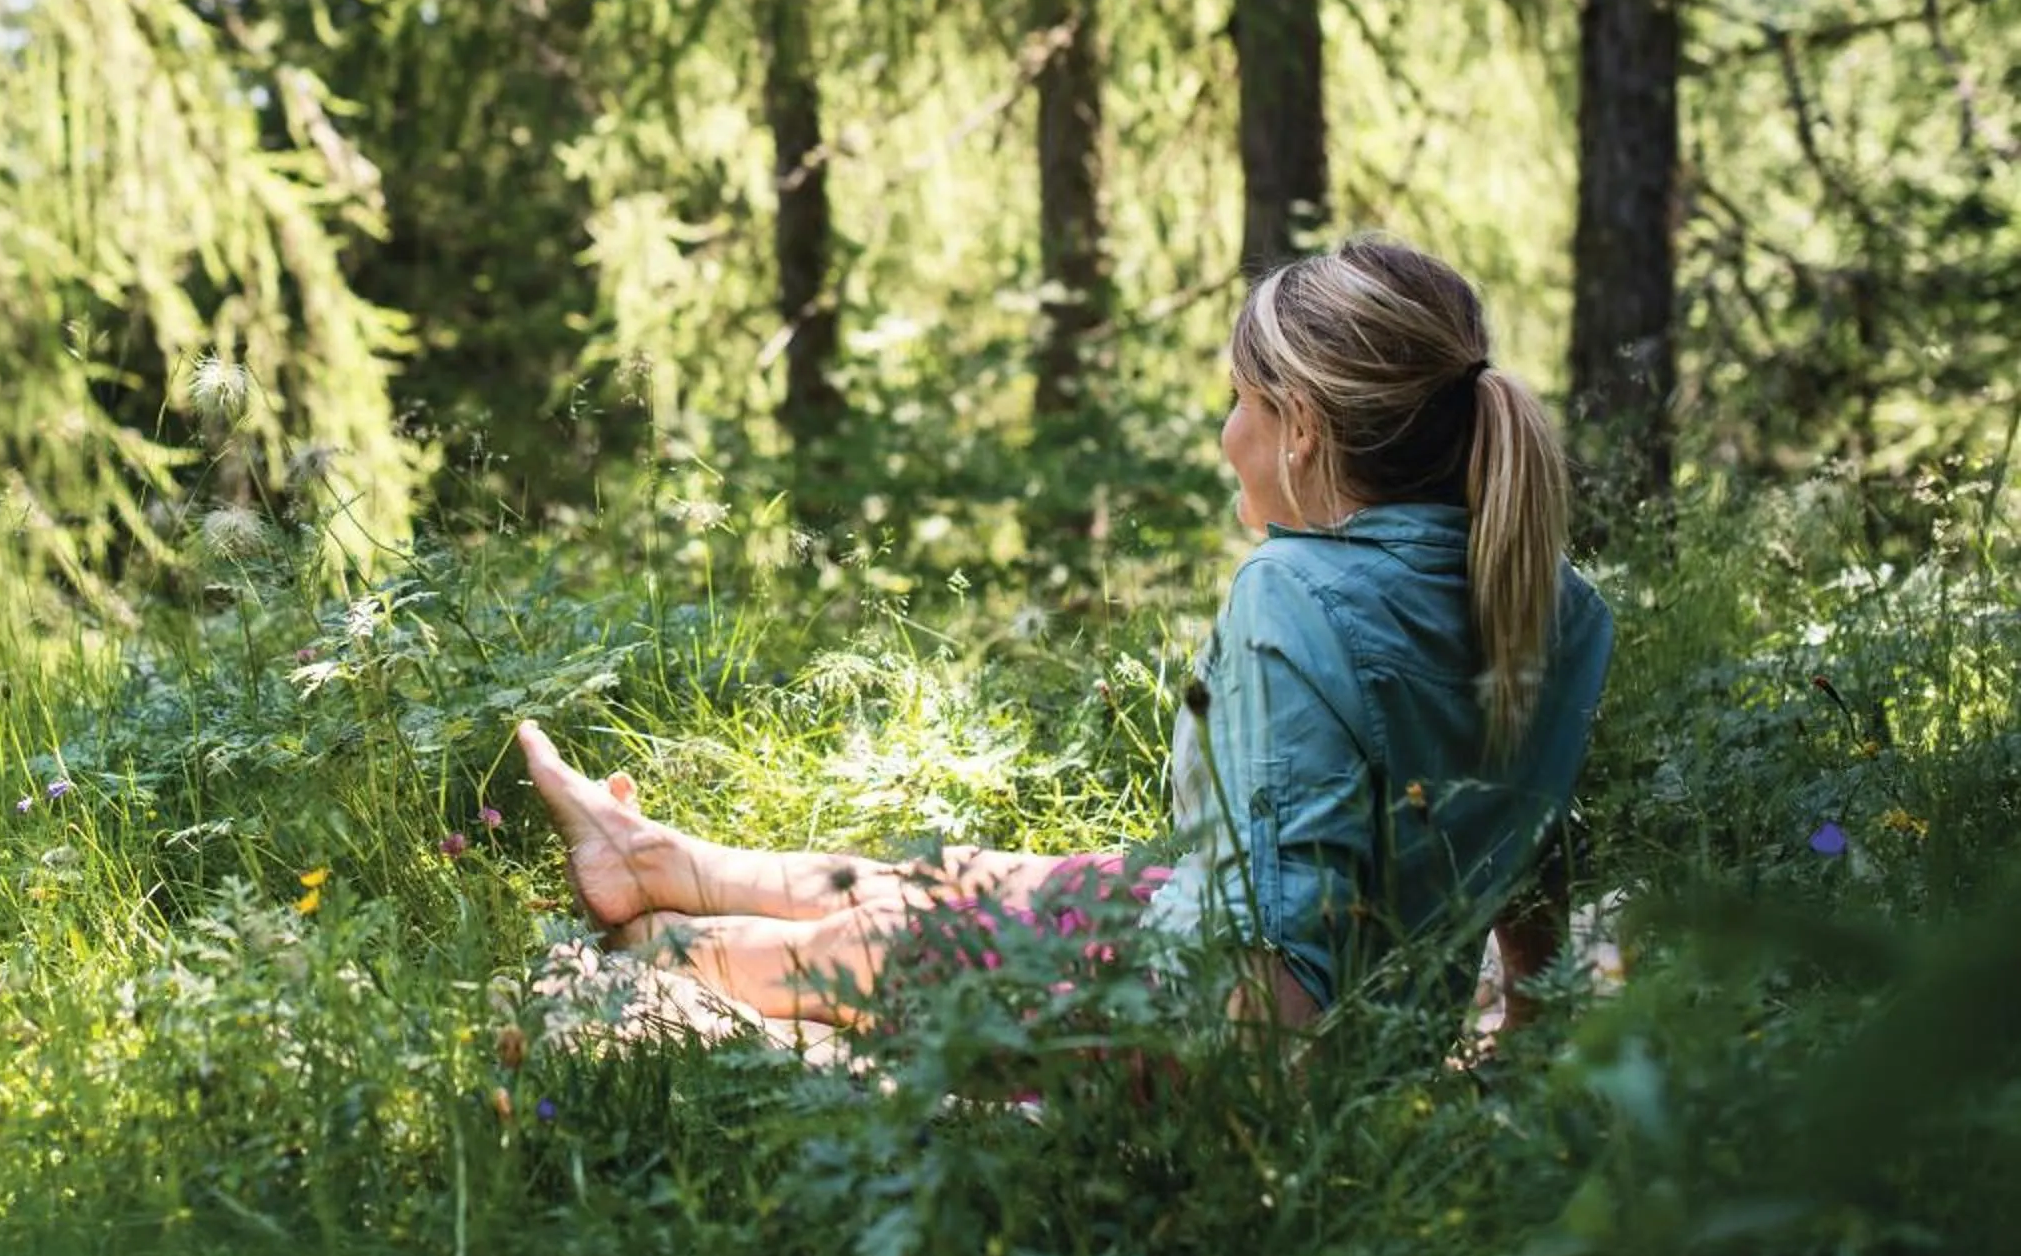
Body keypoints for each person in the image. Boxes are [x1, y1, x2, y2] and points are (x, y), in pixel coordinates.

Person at [516, 235, 1613, 1037]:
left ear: (1304, 430)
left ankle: (659, 948)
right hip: (1248, 956)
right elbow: (1530, 838)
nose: (1227, 434)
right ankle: (660, 861)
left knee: (909, 944)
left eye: (1241, 399)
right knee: (974, 881)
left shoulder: (1295, 595)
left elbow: (1273, 988)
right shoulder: (1559, 600)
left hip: (1192, 1014)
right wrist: (1527, 1021)